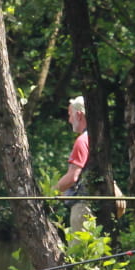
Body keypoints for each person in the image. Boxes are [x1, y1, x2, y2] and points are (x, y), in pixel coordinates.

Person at [54, 96, 92, 231]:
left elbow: (73, 177)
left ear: (79, 115)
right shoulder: (96, 138)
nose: (69, 120)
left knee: (79, 251)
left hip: (83, 207)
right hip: (97, 205)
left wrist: (50, 193)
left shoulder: (82, 140)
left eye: (70, 115)